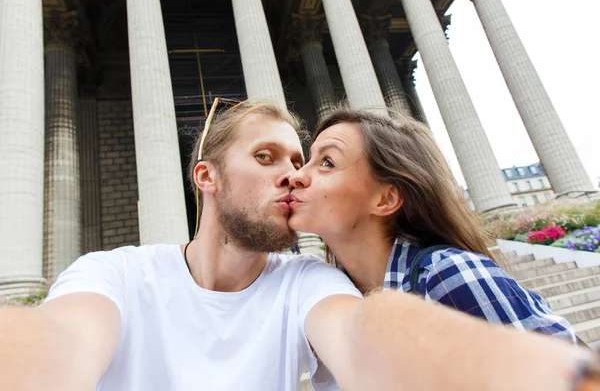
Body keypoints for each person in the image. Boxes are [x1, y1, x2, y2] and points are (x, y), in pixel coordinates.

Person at [0, 99, 595, 391]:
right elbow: (61, 341)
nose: (294, 175)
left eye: (304, 160)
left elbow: (370, 334)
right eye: (267, 158)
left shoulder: (310, 281)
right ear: (206, 177)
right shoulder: (113, 274)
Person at [288, 107, 575, 341]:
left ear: (386, 199)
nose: (296, 176)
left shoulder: (450, 275)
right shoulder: (337, 294)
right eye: (308, 159)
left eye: (327, 162)